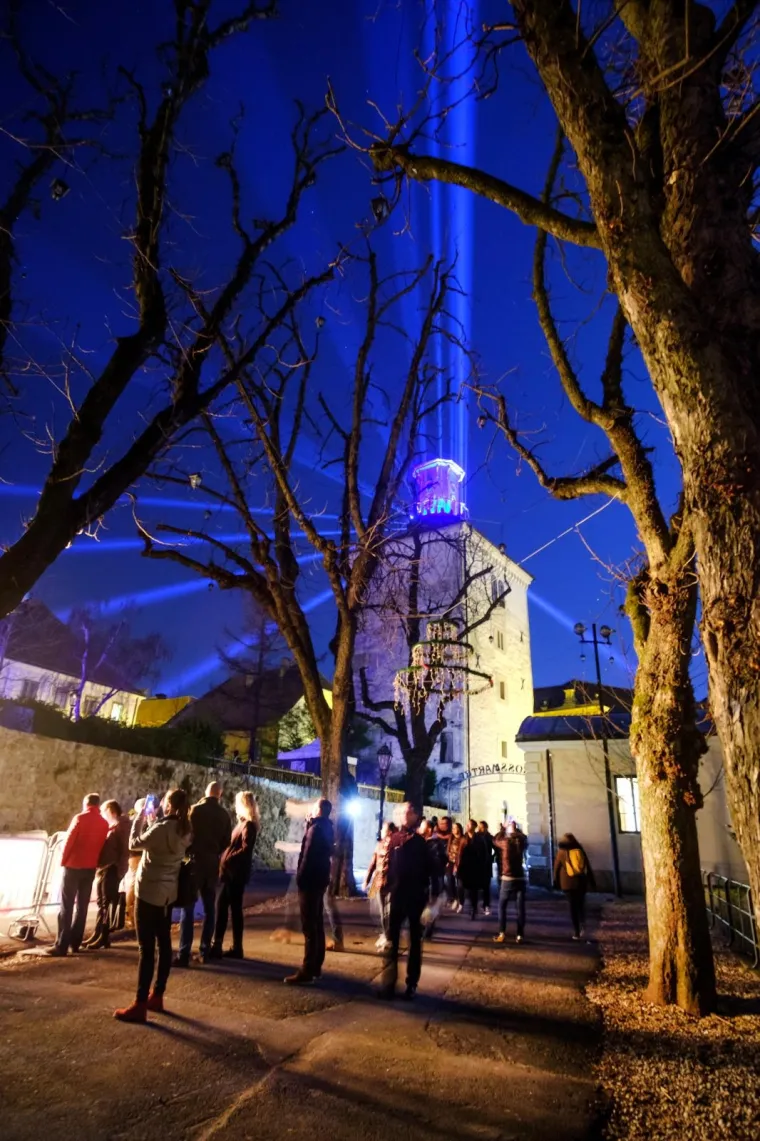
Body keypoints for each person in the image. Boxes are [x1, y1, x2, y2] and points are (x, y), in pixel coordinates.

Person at [114, 789, 192, 1023]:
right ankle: (157, 994)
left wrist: (140, 816)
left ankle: (139, 1004)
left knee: (145, 949)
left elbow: (135, 843)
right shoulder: (186, 829)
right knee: (164, 944)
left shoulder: (162, 828)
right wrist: (153, 822)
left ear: (168, 805)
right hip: (168, 894)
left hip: (148, 893)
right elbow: (163, 841)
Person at [377, 802, 439, 1001]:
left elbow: (432, 871)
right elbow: (384, 865)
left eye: (409, 811)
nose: (405, 815)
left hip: (415, 897)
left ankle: (411, 983)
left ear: (415, 816)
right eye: (402, 812)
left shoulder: (422, 843)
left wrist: (432, 899)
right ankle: (388, 983)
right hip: (395, 897)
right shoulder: (392, 839)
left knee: (414, 942)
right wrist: (384, 888)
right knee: (391, 941)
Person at [176, 781, 232, 967]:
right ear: (220, 795)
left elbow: (186, 834)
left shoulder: (195, 810)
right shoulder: (224, 815)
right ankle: (205, 949)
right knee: (210, 908)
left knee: (188, 907)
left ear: (205, 792)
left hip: (193, 862)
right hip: (211, 863)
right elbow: (226, 841)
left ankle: (184, 952)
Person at [46, 793, 109, 957]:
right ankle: (75, 943)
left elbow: (69, 841)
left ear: (86, 803)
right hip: (90, 868)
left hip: (73, 866)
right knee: (82, 906)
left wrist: (63, 861)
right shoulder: (104, 823)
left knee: (66, 906)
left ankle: (61, 944)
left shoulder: (80, 818)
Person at [285, 798, 334, 986]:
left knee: (309, 926)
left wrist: (300, 878)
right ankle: (316, 965)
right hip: (320, 879)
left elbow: (307, 856)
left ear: (318, 809)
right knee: (317, 923)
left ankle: (307, 968)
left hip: (310, 881)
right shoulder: (326, 827)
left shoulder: (316, 830)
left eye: (314, 807)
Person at [209, 791, 260, 960]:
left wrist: (228, 858)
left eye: (238, 803)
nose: (235, 806)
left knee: (222, 907)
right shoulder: (244, 824)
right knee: (233, 909)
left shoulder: (248, 826)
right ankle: (236, 947)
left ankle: (218, 945)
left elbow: (246, 849)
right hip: (232, 872)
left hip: (233, 874)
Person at [84, 800, 131, 950]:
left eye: (104, 812)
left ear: (110, 811)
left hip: (111, 868)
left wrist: (120, 871)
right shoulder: (114, 827)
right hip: (105, 868)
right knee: (102, 903)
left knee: (105, 904)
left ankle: (103, 936)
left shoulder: (121, 826)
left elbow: (124, 850)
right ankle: (98, 933)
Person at [553, 832, 596, 941]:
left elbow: (556, 868)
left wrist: (555, 882)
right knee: (581, 905)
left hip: (567, 884)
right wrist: (592, 881)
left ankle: (576, 931)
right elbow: (588, 866)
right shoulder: (579, 849)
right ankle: (583, 924)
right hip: (581, 882)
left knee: (572, 907)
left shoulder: (561, 852)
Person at [492, 820, 528, 944]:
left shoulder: (505, 842)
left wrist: (503, 829)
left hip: (508, 877)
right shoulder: (521, 840)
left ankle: (502, 933)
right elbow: (524, 837)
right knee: (520, 907)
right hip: (520, 877)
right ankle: (520, 935)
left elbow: (495, 840)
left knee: (502, 906)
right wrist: (515, 830)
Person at [364, 821, 397, 951]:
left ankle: (387, 937)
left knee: (384, 911)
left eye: (383, 828)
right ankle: (386, 935)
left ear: (389, 831)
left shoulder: (392, 846)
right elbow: (374, 862)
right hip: (385, 882)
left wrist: (367, 879)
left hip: (384, 882)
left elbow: (373, 863)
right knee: (385, 911)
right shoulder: (394, 845)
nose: (381, 831)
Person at [475, 820, 494, 915]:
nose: (480, 829)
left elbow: (496, 847)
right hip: (477, 865)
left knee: (486, 886)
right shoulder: (476, 836)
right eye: (479, 827)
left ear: (486, 828)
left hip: (486, 865)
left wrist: (492, 857)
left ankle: (486, 904)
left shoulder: (489, 837)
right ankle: (475, 906)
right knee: (476, 886)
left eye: (482, 827)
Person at [448, 821, 465, 911]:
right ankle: (455, 898)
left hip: (459, 863)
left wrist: (458, 864)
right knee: (449, 881)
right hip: (451, 862)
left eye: (455, 828)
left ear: (459, 829)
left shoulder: (463, 839)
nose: (453, 830)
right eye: (452, 828)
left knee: (459, 884)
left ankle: (461, 902)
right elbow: (449, 850)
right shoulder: (451, 838)